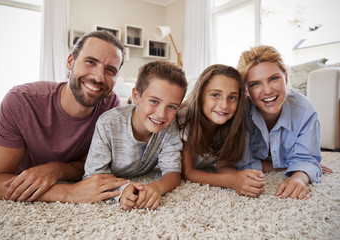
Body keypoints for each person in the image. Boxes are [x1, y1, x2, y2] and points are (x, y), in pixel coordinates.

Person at [0, 30, 130, 203]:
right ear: (70, 61)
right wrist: (68, 193)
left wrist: (57, 169)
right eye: (90, 62)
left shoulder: (110, 105)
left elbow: (96, 163)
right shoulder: (21, 101)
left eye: (110, 70)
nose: (98, 77)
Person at [83, 60, 187, 210]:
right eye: (154, 101)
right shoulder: (108, 123)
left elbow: (173, 172)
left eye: (171, 106)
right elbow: (93, 174)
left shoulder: (170, 125)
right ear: (136, 96)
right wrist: (121, 191)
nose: (161, 114)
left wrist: (156, 187)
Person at [235, 45, 329, 200]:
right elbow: (240, 164)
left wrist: (299, 176)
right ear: (246, 90)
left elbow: (308, 160)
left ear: (285, 78)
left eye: (274, 78)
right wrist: (288, 165)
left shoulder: (305, 110)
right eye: (255, 84)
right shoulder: (240, 113)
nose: (268, 91)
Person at [179, 64, 265, 198]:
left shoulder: (232, 122)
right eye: (215, 95)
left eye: (232, 98)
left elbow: (223, 165)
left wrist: (241, 177)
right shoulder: (185, 117)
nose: (224, 105)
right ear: (200, 94)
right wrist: (231, 181)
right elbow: (187, 172)